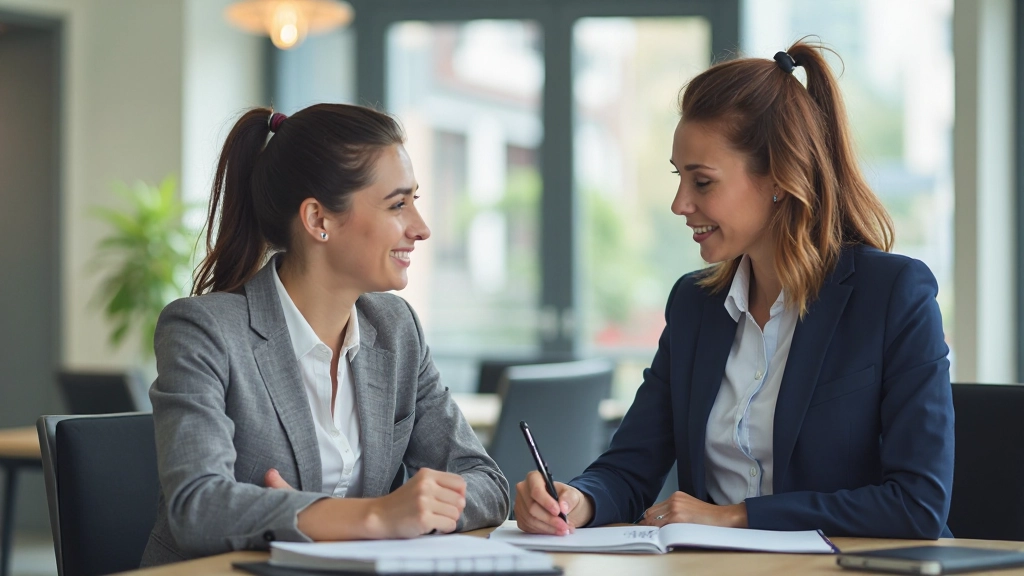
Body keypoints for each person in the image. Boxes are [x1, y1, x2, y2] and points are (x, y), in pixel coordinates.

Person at [514, 41, 954, 539]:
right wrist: (578, 500)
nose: (680, 204)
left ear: (779, 178)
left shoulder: (893, 295)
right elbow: (629, 469)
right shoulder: (694, 305)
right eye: (680, 178)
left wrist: (734, 517)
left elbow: (917, 505)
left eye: (702, 182)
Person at [141, 104, 509, 566]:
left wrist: (380, 514)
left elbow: (486, 482)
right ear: (318, 220)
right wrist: (374, 516)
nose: (420, 228)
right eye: (398, 204)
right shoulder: (205, 331)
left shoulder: (396, 330)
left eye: (415, 201)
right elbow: (197, 507)